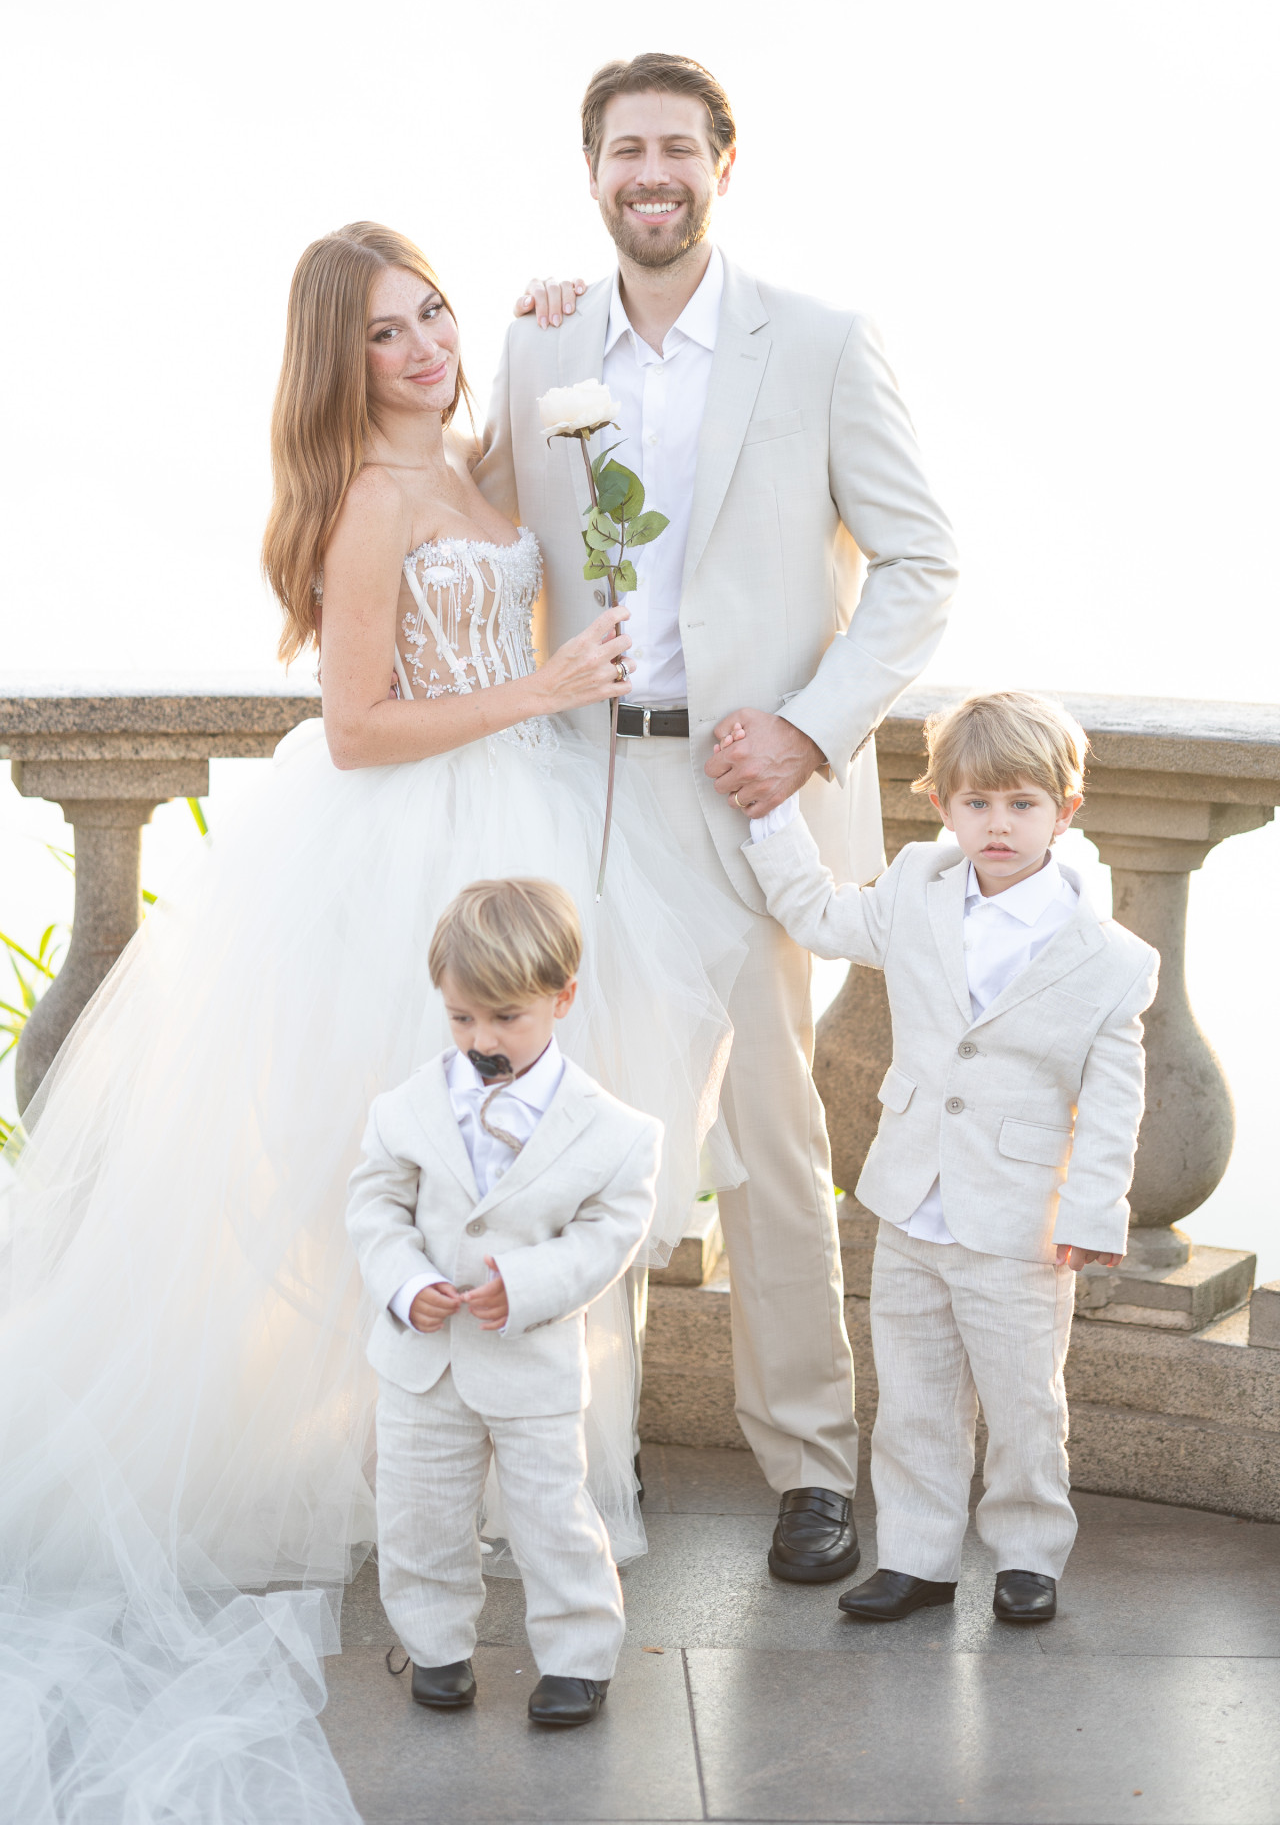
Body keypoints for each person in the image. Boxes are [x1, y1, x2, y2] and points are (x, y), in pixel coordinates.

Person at [0, 223, 746, 1818]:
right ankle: (409, 1487)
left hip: (530, 835)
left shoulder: (474, 461)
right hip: (411, 848)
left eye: (433, 316)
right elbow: (350, 727)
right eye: (385, 337)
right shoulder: (365, 503)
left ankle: (544, 1473)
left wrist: (554, 317)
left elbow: (547, 418)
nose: (423, 350)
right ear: (337, 367)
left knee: (545, 1157)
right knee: (403, 1170)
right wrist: (546, 691)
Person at [479, 52, 960, 1581]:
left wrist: (813, 736)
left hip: (752, 803)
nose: (652, 174)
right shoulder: (538, 340)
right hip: (586, 794)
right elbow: (484, 528)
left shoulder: (818, 342)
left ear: (724, 166)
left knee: (770, 1137)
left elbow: (925, 564)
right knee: (577, 1134)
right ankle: (580, 1462)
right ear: (595, 171)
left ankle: (814, 1467)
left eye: (679, 148)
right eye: (627, 150)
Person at [734, 692, 1159, 1622]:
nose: (997, 824)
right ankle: (919, 1558)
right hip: (912, 1197)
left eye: (1021, 804)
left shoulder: (1108, 956)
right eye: (976, 804)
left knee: (1023, 1406)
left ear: (1065, 809)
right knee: (915, 1397)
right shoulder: (918, 891)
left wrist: (1092, 1212)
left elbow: (1115, 1102)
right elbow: (817, 915)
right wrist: (769, 812)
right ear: (942, 806)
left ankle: (1028, 1556)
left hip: (1021, 1223)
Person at [347, 877, 661, 1728]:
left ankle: (578, 1656)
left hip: (531, 1361)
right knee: (418, 1514)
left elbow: (608, 1236)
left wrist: (525, 1286)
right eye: (461, 1019)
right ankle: (435, 1645)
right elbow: (373, 1204)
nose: (481, 1040)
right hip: (424, 1361)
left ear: (561, 999)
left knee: (553, 1518)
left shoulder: (616, 1132)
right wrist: (407, 1284)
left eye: (506, 1018)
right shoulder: (406, 1107)